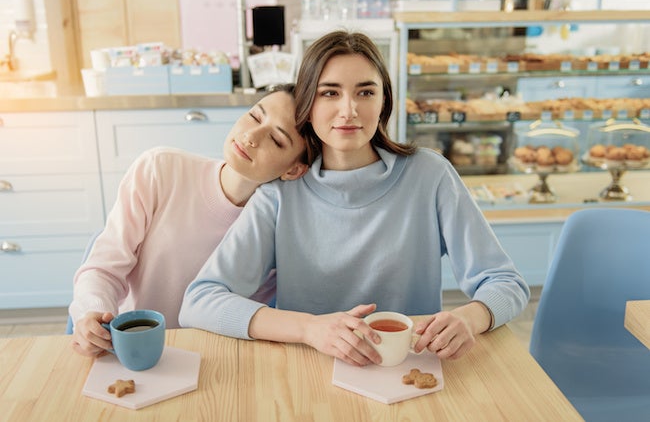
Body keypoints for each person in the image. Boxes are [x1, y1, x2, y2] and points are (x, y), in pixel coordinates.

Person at [179, 31, 530, 367]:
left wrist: (470, 317)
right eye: (329, 93)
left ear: (383, 102)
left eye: (365, 92)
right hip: (307, 373)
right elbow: (200, 301)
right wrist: (308, 329)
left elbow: (506, 283)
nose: (349, 111)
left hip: (406, 368)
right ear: (307, 105)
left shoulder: (430, 175)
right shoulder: (279, 194)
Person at [69, 84, 308, 357]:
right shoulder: (160, 169)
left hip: (217, 360)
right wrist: (92, 315)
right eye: (255, 116)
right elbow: (103, 269)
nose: (251, 136)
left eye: (276, 140)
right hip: (132, 349)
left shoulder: (282, 226)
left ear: (294, 169)